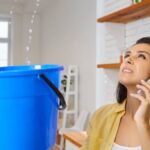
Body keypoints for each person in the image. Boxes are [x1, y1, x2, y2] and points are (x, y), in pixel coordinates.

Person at [80, 37, 150, 150]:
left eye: (141, 56)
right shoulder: (101, 115)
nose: (128, 59)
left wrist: (143, 123)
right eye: (127, 55)